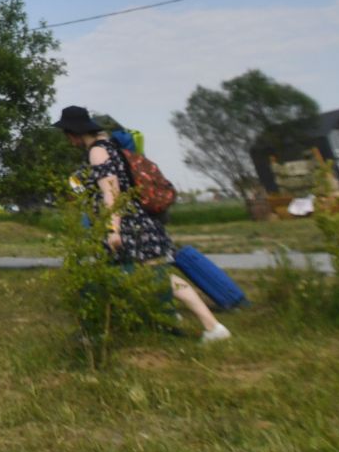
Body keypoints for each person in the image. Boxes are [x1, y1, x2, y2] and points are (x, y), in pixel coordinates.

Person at [54, 107, 230, 343]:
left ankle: (96, 332)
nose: (68, 140)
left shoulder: (97, 152)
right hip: (140, 223)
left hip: (129, 227)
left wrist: (112, 230)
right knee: (158, 276)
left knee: (102, 277)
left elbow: (111, 192)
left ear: (73, 133)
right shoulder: (110, 145)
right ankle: (211, 327)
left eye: (67, 134)